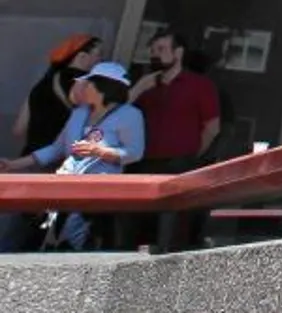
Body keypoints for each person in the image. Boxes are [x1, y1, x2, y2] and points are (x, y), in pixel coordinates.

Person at [0, 62, 144, 251]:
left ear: (102, 87)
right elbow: (56, 149)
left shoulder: (130, 115)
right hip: (63, 190)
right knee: (46, 241)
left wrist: (100, 152)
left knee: (78, 247)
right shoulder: (78, 113)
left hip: (95, 198)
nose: (82, 88)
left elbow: (135, 153)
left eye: (88, 83)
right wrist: (13, 165)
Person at [123, 29, 220, 251]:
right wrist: (139, 88)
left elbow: (212, 128)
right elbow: (115, 115)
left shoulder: (199, 85)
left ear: (178, 53)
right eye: (153, 50)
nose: (155, 55)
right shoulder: (145, 84)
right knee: (137, 228)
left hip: (179, 164)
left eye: (162, 49)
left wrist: (191, 155)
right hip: (143, 163)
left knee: (170, 228)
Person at [12, 34, 101, 156]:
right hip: (59, 163)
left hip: (29, 159)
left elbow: (18, 130)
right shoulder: (86, 85)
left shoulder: (41, 85)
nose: (100, 60)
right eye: (98, 55)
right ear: (82, 56)